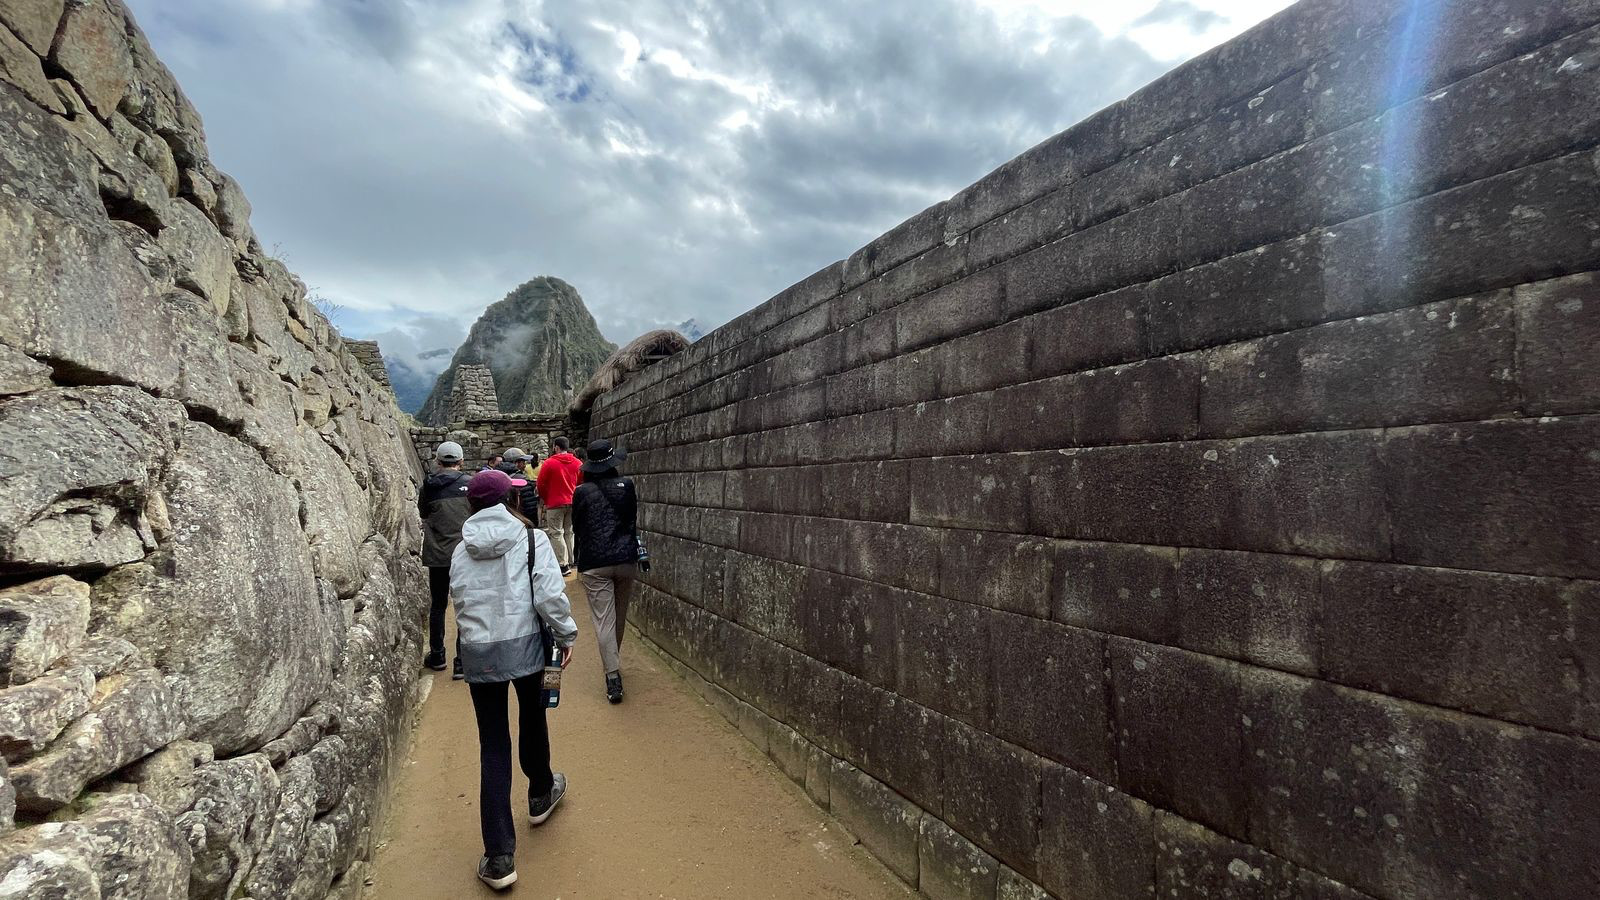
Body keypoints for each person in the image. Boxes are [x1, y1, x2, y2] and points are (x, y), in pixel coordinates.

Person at [450, 468, 579, 889]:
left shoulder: (460, 550)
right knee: (534, 715)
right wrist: (565, 634)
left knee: (493, 743)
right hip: (527, 648)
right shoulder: (531, 539)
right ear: (513, 500)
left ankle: (500, 855)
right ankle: (541, 791)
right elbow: (547, 594)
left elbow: (462, 602)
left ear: (472, 504)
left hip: (480, 654)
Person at [570, 439, 639, 704]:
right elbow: (631, 520)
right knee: (619, 616)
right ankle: (614, 661)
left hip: (595, 562)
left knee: (604, 620)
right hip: (625, 559)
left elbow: (577, 525)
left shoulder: (582, 492)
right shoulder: (627, 486)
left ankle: (612, 675)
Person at [417, 441, 472, 680]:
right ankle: (462, 661)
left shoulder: (428, 487)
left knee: (438, 605)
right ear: (461, 462)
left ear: (438, 462)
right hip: (464, 554)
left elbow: (423, 513)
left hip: (437, 554)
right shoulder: (470, 485)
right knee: (465, 605)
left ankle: (438, 655)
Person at [536, 437, 582, 576]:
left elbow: (540, 484)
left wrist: (546, 498)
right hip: (573, 501)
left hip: (555, 502)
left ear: (556, 447)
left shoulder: (549, 463)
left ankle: (563, 563)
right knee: (569, 531)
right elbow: (581, 482)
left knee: (556, 533)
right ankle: (572, 559)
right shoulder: (578, 463)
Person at [496, 449, 540, 525]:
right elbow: (530, 508)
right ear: (516, 463)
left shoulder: (497, 479)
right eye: (523, 462)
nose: (525, 465)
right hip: (522, 521)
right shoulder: (523, 481)